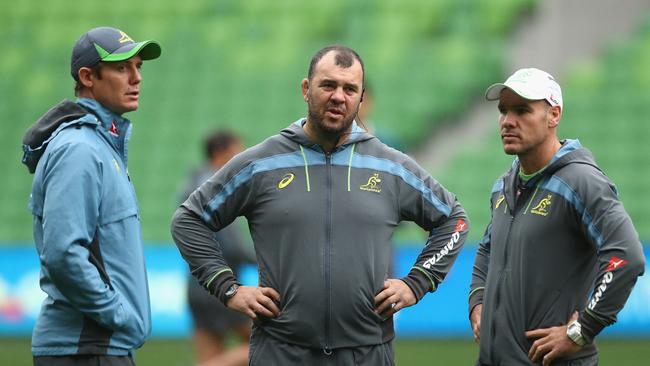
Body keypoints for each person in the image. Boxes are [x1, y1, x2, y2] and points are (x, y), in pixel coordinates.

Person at [171, 45, 469, 365]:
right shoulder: (261, 164)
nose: (339, 96)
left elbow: (455, 220)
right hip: (280, 351)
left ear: (361, 98)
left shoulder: (391, 166)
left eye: (350, 89)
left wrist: (418, 282)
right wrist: (227, 288)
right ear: (305, 88)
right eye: (328, 85)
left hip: (367, 352)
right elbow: (188, 220)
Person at [468, 68, 645, 366]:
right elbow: (488, 247)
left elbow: (627, 257)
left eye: (522, 110)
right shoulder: (503, 185)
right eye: (503, 110)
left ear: (554, 116)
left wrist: (581, 330)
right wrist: (477, 301)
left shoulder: (581, 182)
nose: (508, 121)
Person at [21, 26, 161, 366]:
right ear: (87, 76)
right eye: (121, 68)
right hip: (86, 348)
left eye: (138, 66)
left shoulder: (99, 145)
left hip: (99, 347)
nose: (136, 78)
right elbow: (64, 253)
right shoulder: (79, 150)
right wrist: (119, 315)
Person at [179, 131, 255, 366]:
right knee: (270, 343)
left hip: (197, 285)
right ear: (222, 153)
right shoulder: (215, 188)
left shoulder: (192, 183)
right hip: (222, 285)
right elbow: (231, 246)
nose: (243, 158)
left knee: (209, 352)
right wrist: (268, 258)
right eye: (238, 152)